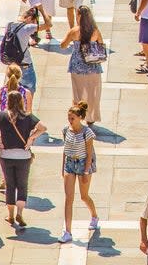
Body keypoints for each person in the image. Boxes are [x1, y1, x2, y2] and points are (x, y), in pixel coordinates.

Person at [0, 90, 46, 228]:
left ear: (8, 102)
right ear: (22, 101)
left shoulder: (2, 116)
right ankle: (20, 213)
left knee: (10, 186)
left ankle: (10, 215)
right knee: (22, 185)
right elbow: (43, 128)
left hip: (6, 155)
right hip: (24, 156)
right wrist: (31, 138)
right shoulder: (28, 117)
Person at [58, 100, 99, 242]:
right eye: (69, 118)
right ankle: (67, 231)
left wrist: (86, 172)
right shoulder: (65, 130)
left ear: (80, 118)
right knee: (68, 198)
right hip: (70, 163)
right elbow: (65, 149)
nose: (70, 120)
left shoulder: (87, 133)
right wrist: (62, 167)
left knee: (84, 196)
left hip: (82, 164)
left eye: (72, 118)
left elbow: (89, 153)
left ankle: (94, 215)